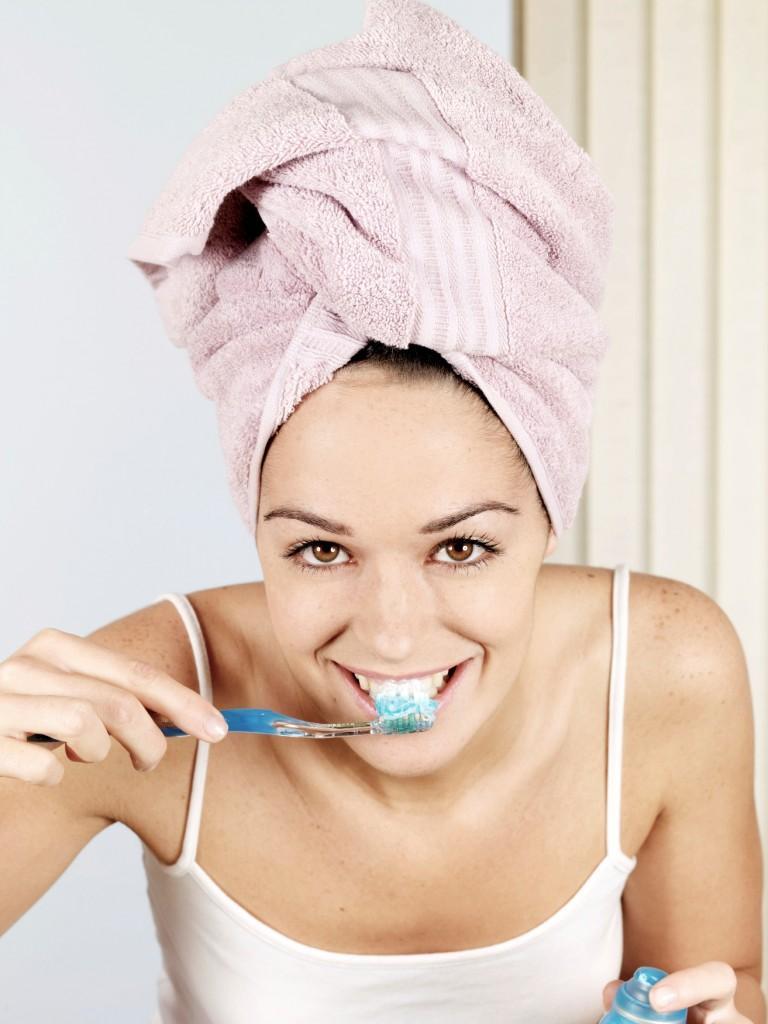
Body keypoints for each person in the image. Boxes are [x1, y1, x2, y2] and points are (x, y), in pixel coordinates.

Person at [0, 340, 763, 1023]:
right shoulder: (145, 703)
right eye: (323, 551)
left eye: (462, 547)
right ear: (257, 531)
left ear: (548, 520)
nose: (393, 636)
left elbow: (725, 984)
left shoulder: (663, 665)